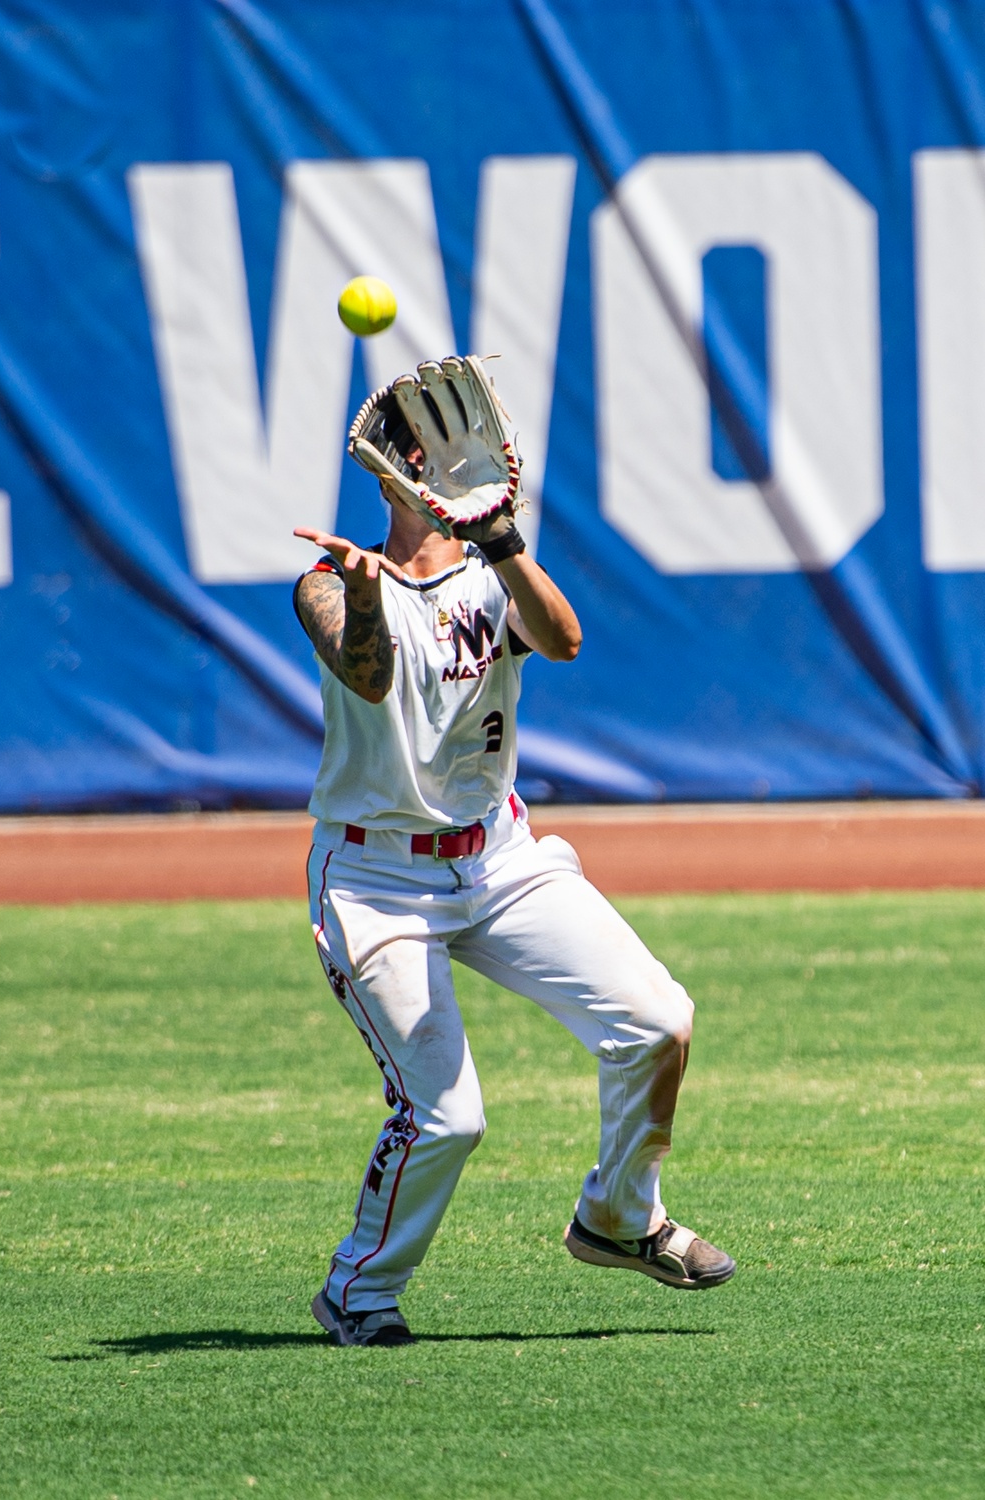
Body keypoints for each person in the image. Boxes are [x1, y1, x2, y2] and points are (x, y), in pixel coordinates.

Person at [292, 413, 735, 1349]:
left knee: (659, 1020)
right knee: (448, 1118)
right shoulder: (328, 582)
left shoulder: (494, 576)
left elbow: (565, 640)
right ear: (383, 476)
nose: (433, 465)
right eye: (414, 454)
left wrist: (502, 541)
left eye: (443, 450)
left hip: (499, 856)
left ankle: (619, 1219)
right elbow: (366, 676)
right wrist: (369, 596)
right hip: (375, 878)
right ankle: (358, 1292)